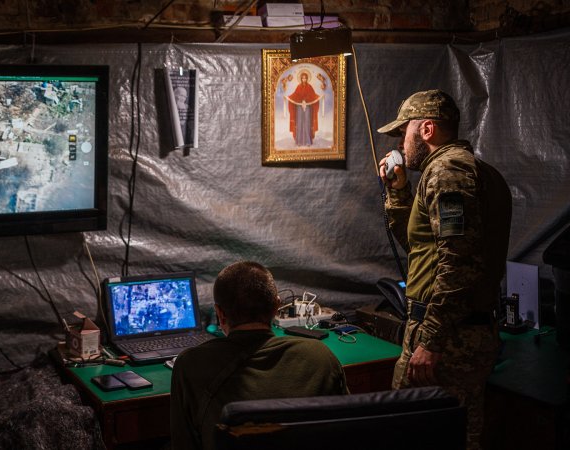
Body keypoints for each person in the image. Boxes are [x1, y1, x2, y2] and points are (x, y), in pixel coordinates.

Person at [377, 89, 512, 450]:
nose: (400, 145)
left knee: (413, 433)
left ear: (426, 130)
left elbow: (459, 262)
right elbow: (423, 249)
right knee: (455, 432)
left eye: (403, 133)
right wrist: (398, 192)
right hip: (456, 330)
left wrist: (431, 340)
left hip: (447, 337)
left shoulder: (448, 173)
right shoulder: (468, 171)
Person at [170, 261, 347, 450]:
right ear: (276, 306)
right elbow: (346, 434)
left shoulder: (190, 365)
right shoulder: (320, 357)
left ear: (220, 314)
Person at [286, 70, 321, 146]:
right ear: (301, 79)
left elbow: (313, 95)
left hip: (308, 106)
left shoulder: (309, 87)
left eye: (305, 78)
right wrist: (288, 98)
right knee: (299, 122)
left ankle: (308, 141)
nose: (304, 79)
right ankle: (299, 142)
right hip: (299, 106)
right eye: (302, 78)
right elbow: (295, 95)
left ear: (307, 78)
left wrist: (317, 98)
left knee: (307, 122)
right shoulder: (298, 87)